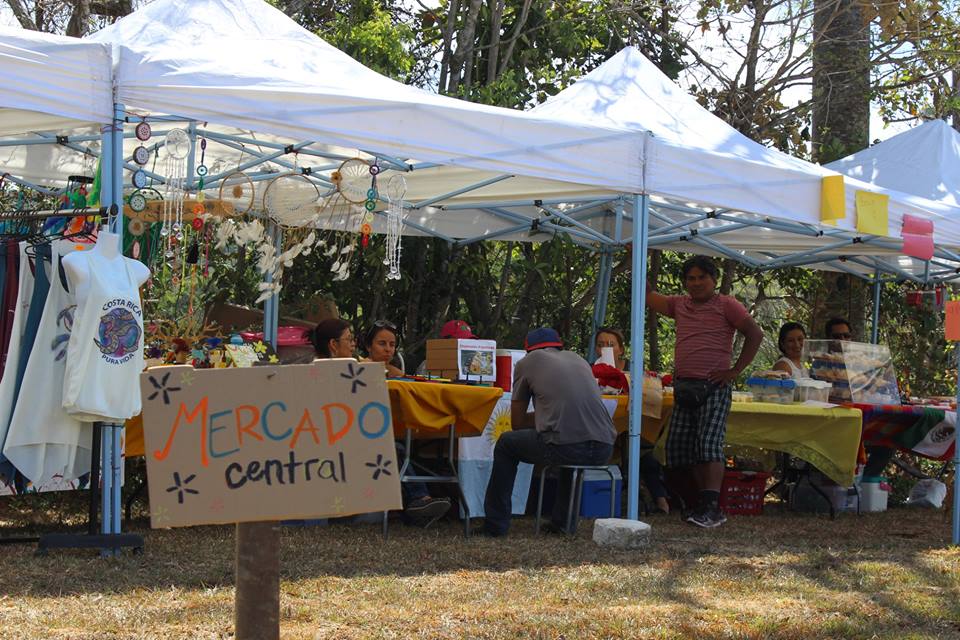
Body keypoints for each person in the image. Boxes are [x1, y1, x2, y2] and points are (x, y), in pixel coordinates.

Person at [646, 255, 763, 528]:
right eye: (691, 278)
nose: (696, 283)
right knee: (678, 448)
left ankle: (713, 508)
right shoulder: (679, 304)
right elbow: (648, 295)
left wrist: (735, 370)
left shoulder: (727, 304)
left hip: (714, 387)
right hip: (685, 386)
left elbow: (755, 334)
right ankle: (695, 502)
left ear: (714, 279)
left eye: (702, 277)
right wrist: (634, 257)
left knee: (708, 445)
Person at [480, 327, 616, 537]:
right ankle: (563, 523)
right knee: (570, 440)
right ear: (558, 345)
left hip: (567, 447)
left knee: (507, 443)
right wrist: (550, 414)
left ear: (528, 349)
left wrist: (545, 415)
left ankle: (495, 525)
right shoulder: (578, 359)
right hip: (605, 448)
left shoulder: (527, 363)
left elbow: (517, 422)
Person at [315, 319, 450, 526]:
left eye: (392, 345)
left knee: (401, 449)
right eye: (349, 340)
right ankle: (418, 501)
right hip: (345, 442)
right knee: (393, 448)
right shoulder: (347, 369)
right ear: (333, 345)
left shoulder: (383, 371)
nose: (352, 345)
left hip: (367, 437)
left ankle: (415, 505)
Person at [594, 326, 670, 514]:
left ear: (621, 349)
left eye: (611, 344)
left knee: (644, 453)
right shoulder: (591, 371)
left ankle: (661, 500)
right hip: (605, 427)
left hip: (636, 426)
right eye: (601, 344)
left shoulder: (634, 370)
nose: (606, 348)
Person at [824, 318, 894, 478]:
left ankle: (863, 485)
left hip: (862, 422)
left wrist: (883, 378)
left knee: (886, 445)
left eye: (846, 336)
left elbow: (876, 389)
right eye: (837, 336)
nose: (842, 340)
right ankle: (845, 483)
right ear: (829, 340)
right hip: (835, 424)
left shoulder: (862, 364)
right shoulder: (822, 365)